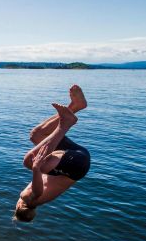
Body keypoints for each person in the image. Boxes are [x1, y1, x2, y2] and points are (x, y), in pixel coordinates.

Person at [15, 85, 91, 222]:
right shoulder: (27, 199)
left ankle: (75, 106)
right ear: (18, 207)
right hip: (75, 165)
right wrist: (36, 168)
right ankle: (65, 124)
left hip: (79, 158)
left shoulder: (39, 202)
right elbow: (37, 192)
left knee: (37, 135)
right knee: (29, 162)